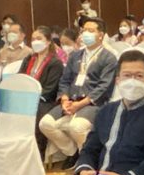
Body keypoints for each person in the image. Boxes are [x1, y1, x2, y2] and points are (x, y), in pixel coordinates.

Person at [39, 18, 117, 162]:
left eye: (91, 31)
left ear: (101, 35)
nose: (85, 33)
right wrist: (64, 99)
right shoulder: (75, 55)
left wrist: (80, 104)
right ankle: (72, 151)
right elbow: (65, 80)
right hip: (71, 100)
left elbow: (104, 86)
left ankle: (87, 158)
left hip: (93, 104)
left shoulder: (109, 58)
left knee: (76, 127)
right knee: (45, 124)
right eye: (84, 30)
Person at [21, 26, 66, 156]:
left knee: (37, 112)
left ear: (48, 42)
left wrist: (32, 97)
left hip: (45, 100)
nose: (35, 42)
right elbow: (20, 78)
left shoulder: (55, 63)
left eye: (39, 38)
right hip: (26, 97)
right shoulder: (29, 59)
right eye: (33, 39)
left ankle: (37, 154)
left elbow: (50, 89)